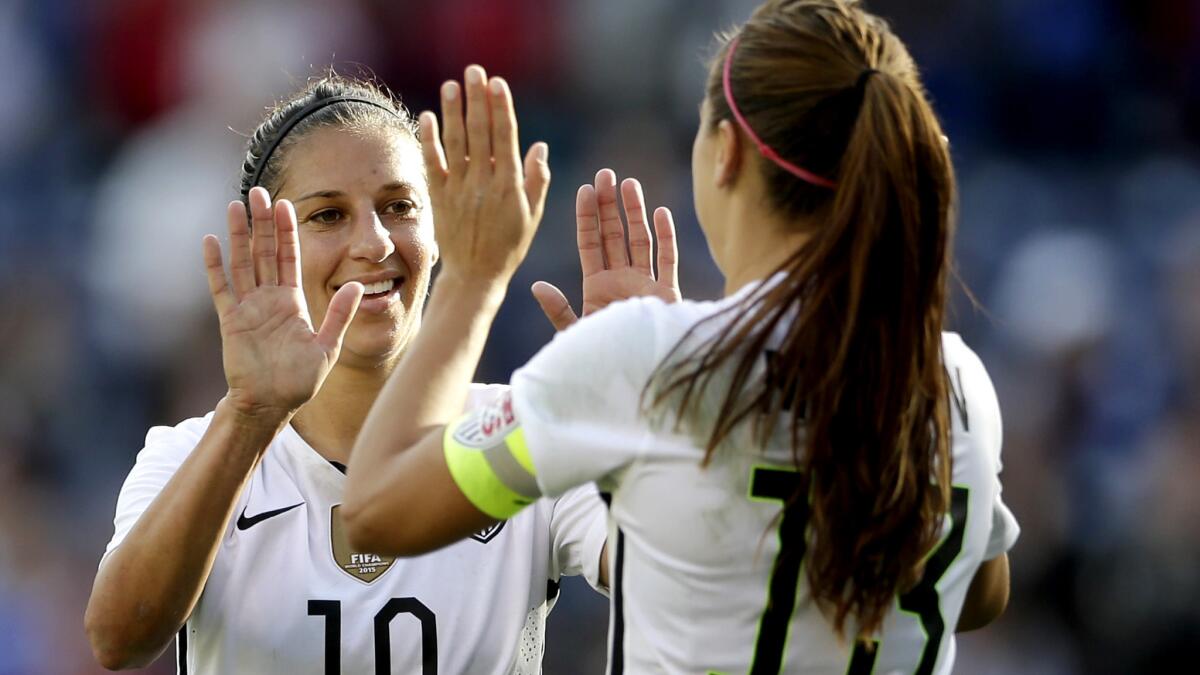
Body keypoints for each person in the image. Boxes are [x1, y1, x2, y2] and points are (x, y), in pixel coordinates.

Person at [342, 1, 1020, 673]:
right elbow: (980, 594)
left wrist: (471, 278)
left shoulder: (646, 360)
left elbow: (374, 510)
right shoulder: (955, 377)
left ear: (725, 153)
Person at [84, 69, 612, 674]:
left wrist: (656, 420)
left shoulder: (521, 428)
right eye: (328, 216)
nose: (376, 242)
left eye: (399, 206)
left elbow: (668, 570)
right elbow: (118, 639)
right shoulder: (189, 455)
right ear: (265, 248)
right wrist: (251, 415)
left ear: (438, 230)